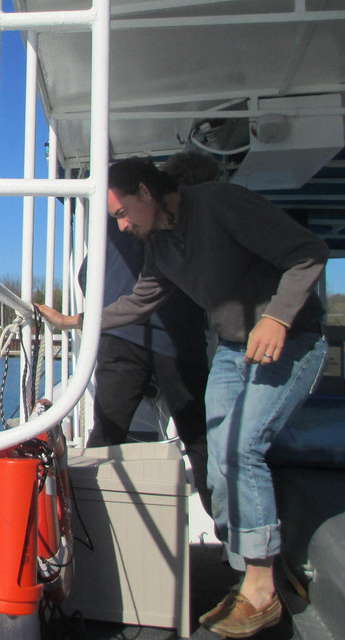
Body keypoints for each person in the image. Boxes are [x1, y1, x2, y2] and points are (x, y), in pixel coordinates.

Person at [37, 157, 328, 639]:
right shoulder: (161, 246)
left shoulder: (220, 203)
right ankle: (254, 576)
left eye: (123, 213)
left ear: (147, 192)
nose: (123, 226)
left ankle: (260, 590)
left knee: (241, 448)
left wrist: (277, 318)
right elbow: (139, 301)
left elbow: (309, 253)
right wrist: (75, 323)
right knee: (216, 460)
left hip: (290, 341)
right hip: (236, 350)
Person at [80, 151, 219, 517]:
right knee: (201, 441)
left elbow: (85, 274)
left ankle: (84, 531)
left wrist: (107, 303)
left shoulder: (117, 221)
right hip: (179, 337)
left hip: (122, 333)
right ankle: (233, 548)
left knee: (106, 436)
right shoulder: (190, 221)